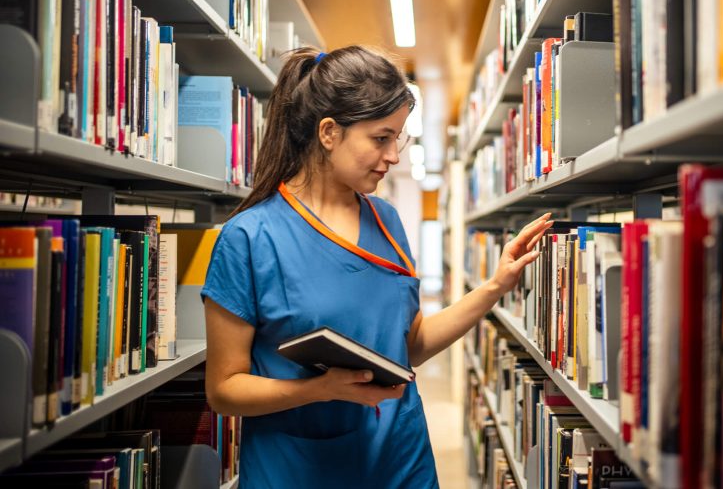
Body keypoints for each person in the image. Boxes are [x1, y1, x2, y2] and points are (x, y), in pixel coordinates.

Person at [202, 45, 553, 488]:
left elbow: (409, 344)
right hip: (303, 468)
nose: (394, 156)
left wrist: (496, 286)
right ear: (329, 133)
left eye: (399, 139)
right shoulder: (249, 239)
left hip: (401, 460)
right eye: (381, 138)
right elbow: (224, 388)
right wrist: (321, 389)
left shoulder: (385, 220)